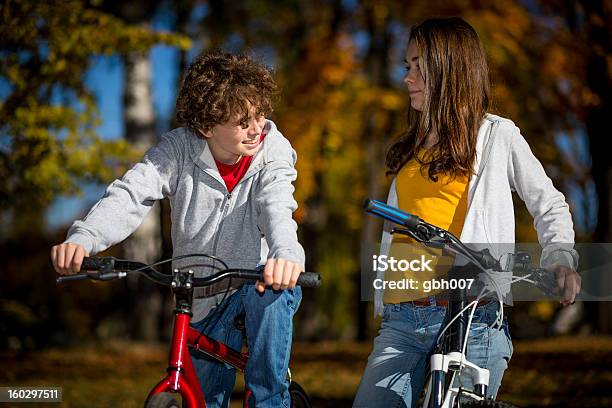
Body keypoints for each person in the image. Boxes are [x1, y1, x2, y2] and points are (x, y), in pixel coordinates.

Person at [50, 51, 305, 408]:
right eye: (241, 121)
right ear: (206, 126)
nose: (256, 128)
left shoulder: (272, 151)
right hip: (200, 296)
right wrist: (85, 236)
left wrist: (285, 255)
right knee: (203, 398)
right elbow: (131, 193)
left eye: (260, 115)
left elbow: (276, 204)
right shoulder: (178, 150)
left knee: (272, 292)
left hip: (255, 279)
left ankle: (270, 400)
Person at [354, 17, 581, 407]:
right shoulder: (412, 146)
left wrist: (560, 256)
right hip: (404, 317)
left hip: (473, 317)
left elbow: (549, 202)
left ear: (448, 69)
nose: (407, 78)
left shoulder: (497, 135)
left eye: (417, 67)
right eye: (406, 66)